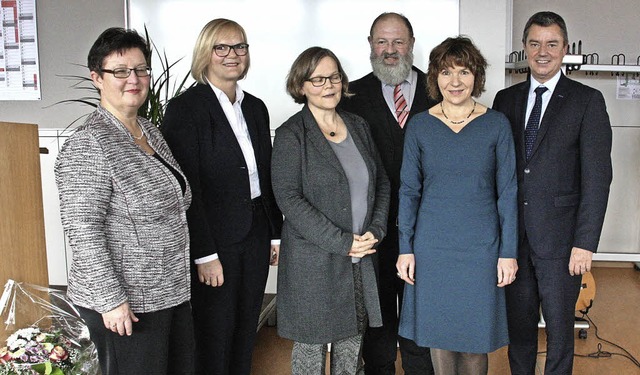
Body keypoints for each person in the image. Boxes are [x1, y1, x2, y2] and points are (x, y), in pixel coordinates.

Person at [55, 27, 194, 375]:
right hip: (125, 304)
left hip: (168, 291)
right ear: (97, 78)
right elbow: (83, 230)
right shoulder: (89, 144)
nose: (133, 79)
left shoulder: (150, 131)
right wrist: (111, 300)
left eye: (141, 69)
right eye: (120, 71)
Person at [492, 11, 613, 375]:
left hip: (563, 243)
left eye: (552, 44)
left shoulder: (587, 100)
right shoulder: (505, 99)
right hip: (515, 240)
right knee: (520, 330)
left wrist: (585, 243)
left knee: (560, 334)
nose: (542, 52)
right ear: (525, 48)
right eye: (534, 43)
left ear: (564, 49)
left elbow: (597, 178)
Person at [161, 19, 283, 375]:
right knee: (214, 334)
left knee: (247, 329)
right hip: (215, 242)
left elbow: (266, 172)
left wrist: (275, 232)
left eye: (240, 47)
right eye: (222, 48)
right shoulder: (186, 109)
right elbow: (185, 188)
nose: (233, 55)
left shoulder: (255, 107)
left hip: (256, 232)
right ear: (206, 53)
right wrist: (204, 254)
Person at [396, 36, 518, 374]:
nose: (455, 81)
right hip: (432, 248)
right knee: (439, 335)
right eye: (447, 72)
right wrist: (406, 248)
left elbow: (507, 192)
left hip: (481, 248)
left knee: (475, 339)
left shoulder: (496, 124)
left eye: (464, 72)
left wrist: (508, 253)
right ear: (435, 76)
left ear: (476, 77)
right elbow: (409, 190)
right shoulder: (420, 125)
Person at [271, 46, 390, 374]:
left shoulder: (359, 126)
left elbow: (380, 184)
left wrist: (375, 231)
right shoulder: (291, 134)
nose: (328, 85)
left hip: (361, 259)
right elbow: (289, 200)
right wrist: (343, 241)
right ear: (301, 85)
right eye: (318, 78)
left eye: (334, 77)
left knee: (351, 348)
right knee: (310, 351)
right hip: (314, 263)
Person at [339, 12, 438, 374]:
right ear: (370, 45)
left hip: (427, 228)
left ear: (412, 44)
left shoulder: (439, 88)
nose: (390, 50)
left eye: (398, 42)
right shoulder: (350, 95)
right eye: (382, 42)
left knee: (420, 311)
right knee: (377, 312)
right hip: (371, 229)